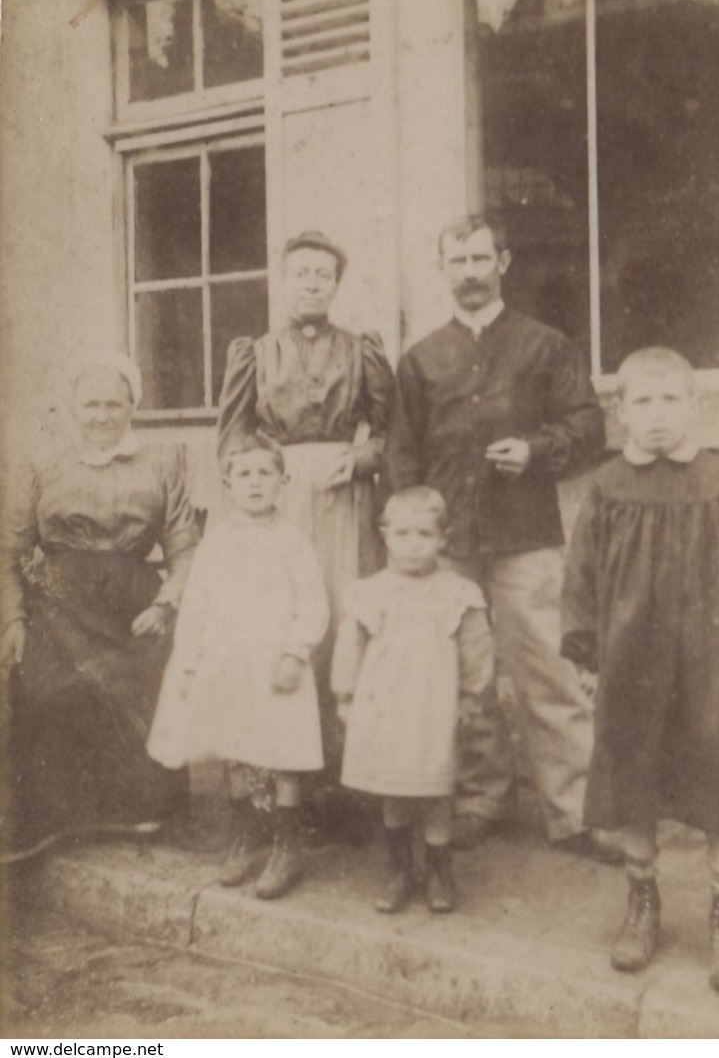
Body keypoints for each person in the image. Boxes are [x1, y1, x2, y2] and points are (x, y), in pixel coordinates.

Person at [384, 214, 613, 859]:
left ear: (504, 262)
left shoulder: (546, 346)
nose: (470, 273)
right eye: (456, 262)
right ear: (442, 270)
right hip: (447, 546)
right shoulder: (421, 360)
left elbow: (589, 427)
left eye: (481, 259)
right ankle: (483, 798)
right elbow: (402, 456)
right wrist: (413, 537)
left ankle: (577, 812)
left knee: (552, 673)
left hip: (526, 538)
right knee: (464, 678)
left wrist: (538, 450)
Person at [560, 347, 719, 993]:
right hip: (630, 664)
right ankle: (642, 900)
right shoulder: (607, 487)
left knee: (718, 781)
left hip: (704, 666)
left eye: (669, 401)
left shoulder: (717, 481)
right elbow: (581, 576)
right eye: (641, 402)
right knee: (634, 780)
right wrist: (585, 652)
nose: (656, 417)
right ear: (619, 412)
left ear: (694, 405)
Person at [217, 231, 394, 821]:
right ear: (283, 280)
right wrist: (262, 474)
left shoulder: (361, 349)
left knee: (344, 621)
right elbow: (233, 436)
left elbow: (395, 434)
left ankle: (347, 785)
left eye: (323, 273)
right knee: (282, 622)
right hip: (281, 499)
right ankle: (281, 784)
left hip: (346, 500)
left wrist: (363, 458)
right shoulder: (255, 352)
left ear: (336, 284)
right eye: (302, 273)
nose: (312, 282)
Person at [0, 355, 199, 851]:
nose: (103, 415)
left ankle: (141, 815)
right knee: (46, 688)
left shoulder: (161, 464)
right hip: (55, 601)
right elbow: (10, 551)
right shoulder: (42, 465)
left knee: (145, 686)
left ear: (133, 406)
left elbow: (185, 549)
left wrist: (166, 605)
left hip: (134, 603)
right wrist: (14, 618)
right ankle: (52, 821)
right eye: (91, 404)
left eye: (114, 403)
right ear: (73, 409)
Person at [147, 433, 329, 900]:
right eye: (243, 475)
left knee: (284, 752)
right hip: (229, 661)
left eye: (265, 473)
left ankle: (286, 845)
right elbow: (199, 605)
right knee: (236, 748)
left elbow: (313, 602)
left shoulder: (293, 541)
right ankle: (247, 835)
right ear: (227, 486)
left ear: (282, 481)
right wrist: (188, 660)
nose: (254, 483)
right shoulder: (217, 543)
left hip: (277, 663)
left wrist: (295, 652)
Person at [331, 486, 494, 914]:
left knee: (436, 788)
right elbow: (351, 643)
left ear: (443, 538)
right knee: (395, 789)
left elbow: (477, 651)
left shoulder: (457, 592)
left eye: (424, 534)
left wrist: (471, 699)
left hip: (433, 709)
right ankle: (399, 868)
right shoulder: (373, 590)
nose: (412, 543)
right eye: (401, 533)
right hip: (386, 707)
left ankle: (439, 869)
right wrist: (345, 695)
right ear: (384, 535)